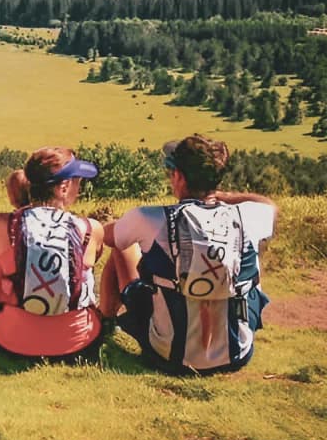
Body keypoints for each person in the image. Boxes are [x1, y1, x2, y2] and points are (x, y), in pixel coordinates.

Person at [100, 135, 276, 374]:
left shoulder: (149, 218)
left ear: (179, 177)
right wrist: (220, 197)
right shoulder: (251, 216)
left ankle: (105, 323)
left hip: (169, 355)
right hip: (237, 354)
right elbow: (269, 205)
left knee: (121, 244)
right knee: (250, 277)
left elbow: (108, 235)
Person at [0, 148, 105, 359]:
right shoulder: (90, 229)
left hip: (12, 339)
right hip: (78, 340)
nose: (79, 188)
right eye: (77, 181)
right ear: (63, 187)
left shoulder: (1, 224)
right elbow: (94, 258)